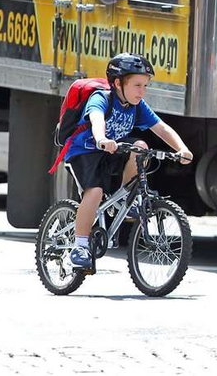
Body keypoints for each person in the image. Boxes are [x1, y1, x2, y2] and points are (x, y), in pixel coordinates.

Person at [65, 53, 193, 270]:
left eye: (145, 86)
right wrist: (102, 139)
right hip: (85, 151)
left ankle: (123, 199)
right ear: (117, 83)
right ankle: (80, 245)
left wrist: (181, 148)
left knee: (141, 147)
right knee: (94, 192)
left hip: (112, 150)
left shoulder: (137, 105)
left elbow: (161, 128)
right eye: (137, 85)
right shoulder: (102, 98)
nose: (142, 91)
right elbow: (96, 119)